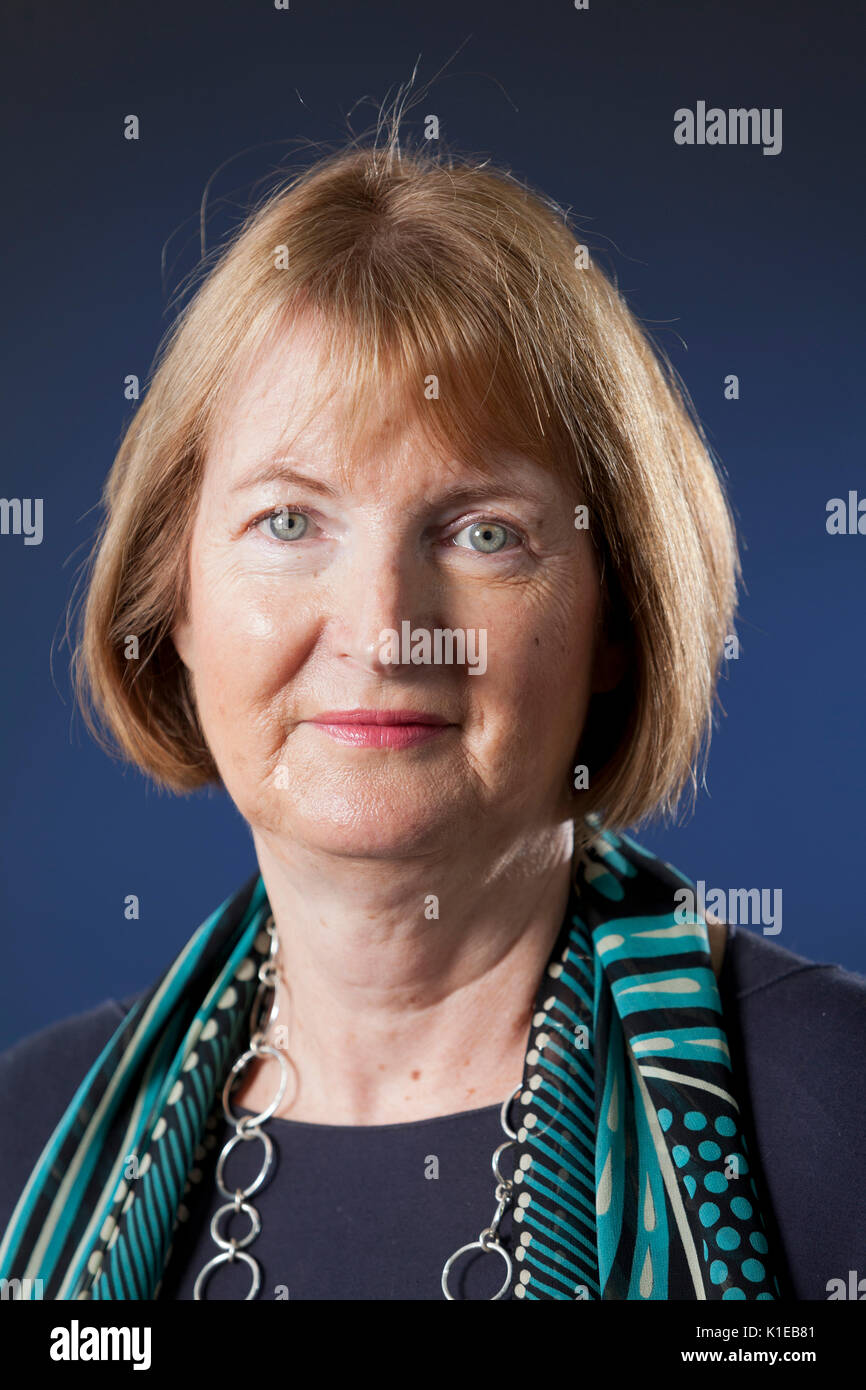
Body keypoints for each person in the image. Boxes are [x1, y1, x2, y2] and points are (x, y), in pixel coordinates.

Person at [1, 127, 864, 1302]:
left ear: (617, 615)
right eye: (289, 522)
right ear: (176, 601)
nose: (384, 627)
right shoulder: (24, 1136)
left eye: (481, 533)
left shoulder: (834, 1113)